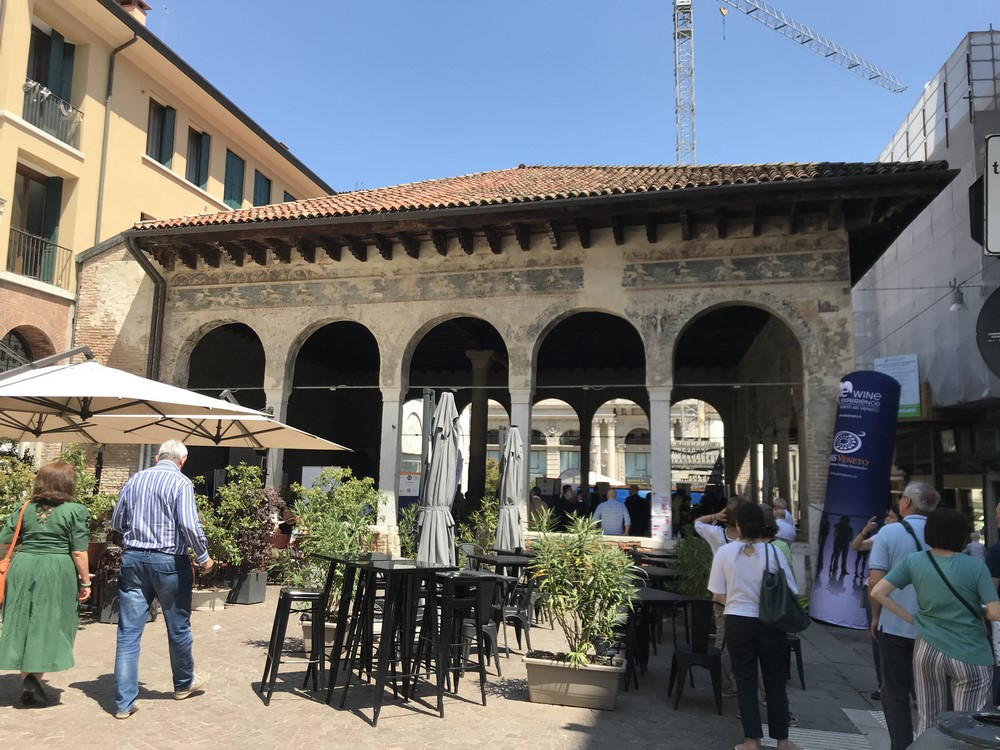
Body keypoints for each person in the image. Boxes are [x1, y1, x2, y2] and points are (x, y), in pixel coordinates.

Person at [872, 507, 1000, 737]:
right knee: (968, 728)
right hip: (970, 652)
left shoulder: (915, 561)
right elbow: (995, 612)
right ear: (962, 534)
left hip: (927, 649)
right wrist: (980, 611)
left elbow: (878, 592)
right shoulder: (975, 566)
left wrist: (912, 619)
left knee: (928, 719)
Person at [111, 440, 214, 720]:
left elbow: (117, 522)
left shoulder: (135, 480)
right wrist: (204, 557)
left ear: (157, 457)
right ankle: (183, 684)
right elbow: (189, 524)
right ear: (183, 460)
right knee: (178, 626)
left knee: (128, 633)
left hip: (133, 558)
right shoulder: (181, 484)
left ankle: (123, 702)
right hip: (169, 561)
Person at [708, 502, 802, 750]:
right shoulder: (774, 553)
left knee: (746, 681)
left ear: (737, 525)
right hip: (771, 622)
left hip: (738, 621)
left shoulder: (725, 553)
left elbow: (717, 594)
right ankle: (783, 740)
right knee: (775, 681)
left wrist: (739, 598)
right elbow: (792, 590)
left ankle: (751, 740)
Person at [0, 461, 90, 705]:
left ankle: (29, 678)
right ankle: (34, 679)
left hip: (24, 566)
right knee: (50, 620)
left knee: (20, 618)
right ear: (69, 483)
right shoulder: (76, 511)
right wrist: (86, 582)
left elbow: (4, 541)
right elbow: (79, 552)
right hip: (56, 568)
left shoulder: (24, 507)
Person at [868, 481, 939, 750]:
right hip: (934, 627)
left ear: (907, 503)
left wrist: (876, 616)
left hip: (896, 623)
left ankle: (901, 745)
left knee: (895, 691)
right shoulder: (942, 532)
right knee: (930, 694)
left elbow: (875, 581)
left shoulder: (890, 533)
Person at [694, 495, 745, 696]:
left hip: (721, 596)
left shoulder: (716, 534)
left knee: (722, 640)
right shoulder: (751, 540)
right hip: (744, 597)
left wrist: (716, 515)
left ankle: (725, 683)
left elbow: (697, 523)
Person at [851, 505, 900, 701]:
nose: (887, 519)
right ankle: (883, 683)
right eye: (887, 516)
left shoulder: (898, 537)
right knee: (878, 637)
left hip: (890, 591)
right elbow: (856, 546)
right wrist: (865, 531)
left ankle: (892, 683)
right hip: (877, 590)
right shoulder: (882, 536)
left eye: (892, 517)